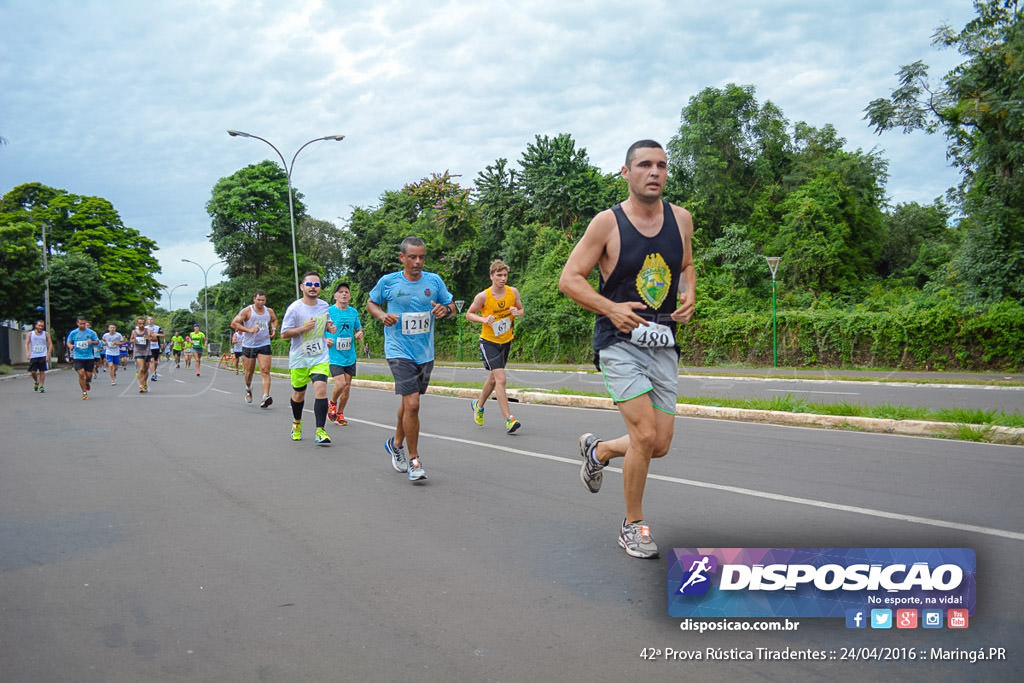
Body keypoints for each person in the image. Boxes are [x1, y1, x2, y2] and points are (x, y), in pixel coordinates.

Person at [558, 139, 695, 559]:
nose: (654, 172)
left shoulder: (682, 219)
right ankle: (632, 525)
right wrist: (611, 308)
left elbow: (686, 266)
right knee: (644, 433)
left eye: (661, 165)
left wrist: (690, 295)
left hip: (664, 341)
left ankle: (598, 451)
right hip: (619, 342)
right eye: (644, 165)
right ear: (626, 172)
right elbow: (570, 279)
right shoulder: (607, 223)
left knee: (659, 444)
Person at [366, 236, 456, 483]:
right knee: (413, 404)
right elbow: (371, 303)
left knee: (409, 404)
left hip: (424, 352)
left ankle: (395, 443)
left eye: (422, 257)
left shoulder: (434, 281)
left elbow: (451, 308)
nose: (418, 262)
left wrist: (444, 311)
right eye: (413, 257)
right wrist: (382, 314)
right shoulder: (389, 282)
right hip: (398, 349)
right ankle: (414, 460)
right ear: (402, 258)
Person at [465, 259, 525, 434]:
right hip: (489, 342)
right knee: (501, 379)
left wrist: (517, 312)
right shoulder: (483, 296)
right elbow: (469, 314)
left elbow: (521, 310)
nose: (503, 278)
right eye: (499, 275)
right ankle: (509, 419)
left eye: (505, 275)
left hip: (506, 340)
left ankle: (478, 405)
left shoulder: (512, 292)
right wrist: (483, 319)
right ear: (492, 276)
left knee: (493, 379)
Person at [280, 273, 335, 445]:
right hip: (300, 357)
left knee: (321, 390)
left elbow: (327, 322)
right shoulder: (294, 309)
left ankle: (320, 430)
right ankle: (297, 423)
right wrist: (303, 328)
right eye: (309, 284)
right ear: (302, 287)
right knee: (299, 393)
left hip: (319, 355)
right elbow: (284, 334)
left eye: (316, 284)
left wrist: (330, 327)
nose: (313, 287)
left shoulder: (324, 306)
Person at [231, 291, 278, 409]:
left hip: (264, 343)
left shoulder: (269, 311)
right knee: (249, 372)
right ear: (254, 299)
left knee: (265, 370)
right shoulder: (247, 311)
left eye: (263, 300)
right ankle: (248, 388)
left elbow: (274, 319)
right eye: (258, 300)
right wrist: (249, 330)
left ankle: (265, 396)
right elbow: (234, 323)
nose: (261, 302)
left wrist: (273, 329)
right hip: (249, 345)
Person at [326, 282, 364, 426]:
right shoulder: (329, 311)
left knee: (347, 386)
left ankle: (340, 414)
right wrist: (326, 339)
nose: (343, 294)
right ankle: (333, 403)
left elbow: (359, 329)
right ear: (335, 295)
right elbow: (320, 329)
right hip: (334, 355)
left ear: (350, 295)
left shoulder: (353, 312)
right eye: (340, 292)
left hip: (350, 355)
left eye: (346, 292)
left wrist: (360, 333)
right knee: (341, 384)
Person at [66, 316, 101, 400]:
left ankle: (87, 382)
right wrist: (70, 345)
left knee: (88, 375)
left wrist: (91, 342)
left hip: (89, 356)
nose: (83, 325)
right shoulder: (73, 333)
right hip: (78, 356)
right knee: (81, 374)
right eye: (81, 323)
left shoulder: (91, 332)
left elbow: (97, 342)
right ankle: (84, 392)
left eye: (84, 323)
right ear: (77, 323)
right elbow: (68, 341)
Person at [25, 320, 53, 393]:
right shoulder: (30, 334)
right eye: (39, 325)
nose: (40, 327)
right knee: (33, 372)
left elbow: (50, 344)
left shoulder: (46, 334)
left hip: (43, 354)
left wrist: (48, 355)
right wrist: (27, 353)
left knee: (42, 371)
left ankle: (41, 386)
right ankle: (36, 381)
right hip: (34, 355)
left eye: (42, 326)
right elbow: (27, 343)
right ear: (36, 326)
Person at [129, 317, 154, 392]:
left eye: (143, 323)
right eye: (140, 323)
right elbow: (130, 340)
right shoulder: (134, 332)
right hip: (138, 351)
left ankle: (145, 383)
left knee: (146, 369)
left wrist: (149, 338)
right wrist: (133, 340)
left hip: (147, 352)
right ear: (137, 324)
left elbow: (155, 339)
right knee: (141, 368)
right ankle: (141, 385)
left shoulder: (148, 331)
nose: (142, 325)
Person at [146, 316, 165, 382]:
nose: (150, 320)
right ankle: (154, 375)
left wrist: (155, 334)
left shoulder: (157, 327)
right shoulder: (145, 328)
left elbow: (163, 335)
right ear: (147, 320)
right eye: (149, 319)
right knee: (152, 360)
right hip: (148, 347)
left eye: (151, 319)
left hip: (156, 346)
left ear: (153, 320)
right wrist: (148, 336)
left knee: (156, 362)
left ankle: (154, 371)